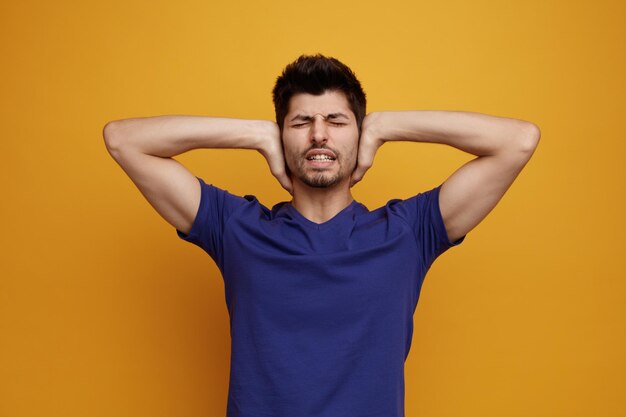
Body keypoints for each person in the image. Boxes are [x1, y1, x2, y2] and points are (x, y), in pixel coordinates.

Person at [103, 54, 540, 417]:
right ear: (281, 136)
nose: (318, 134)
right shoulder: (236, 227)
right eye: (300, 123)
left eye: (336, 120)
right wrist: (252, 134)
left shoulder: (408, 232)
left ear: (360, 133)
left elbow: (518, 141)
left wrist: (388, 126)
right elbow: (123, 139)